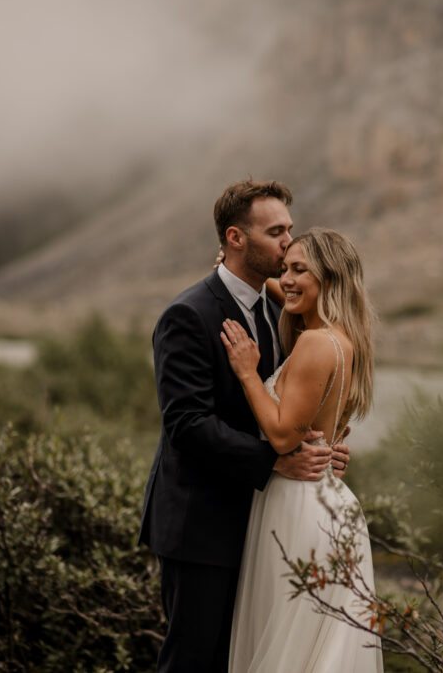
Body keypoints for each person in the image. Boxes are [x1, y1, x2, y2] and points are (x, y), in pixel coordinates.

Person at [139, 179, 352, 672]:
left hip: (267, 521)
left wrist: (325, 443)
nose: (288, 243)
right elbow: (187, 425)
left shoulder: (282, 306)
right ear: (236, 239)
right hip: (202, 524)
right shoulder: (187, 315)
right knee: (195, 660)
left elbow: (301, 394)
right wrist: (278, 460)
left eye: (289, 230)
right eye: (276, 232)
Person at [221, 228, 383, 672]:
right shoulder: (344, 337)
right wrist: (236, 261)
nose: (287, 280)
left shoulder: (314, 343)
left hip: (298, 505)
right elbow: (287, 288)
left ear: (329, 280)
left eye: (299, 271)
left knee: (289, 654)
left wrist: (248, 372)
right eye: (284, 269)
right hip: (329, 503)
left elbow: (282, 437)